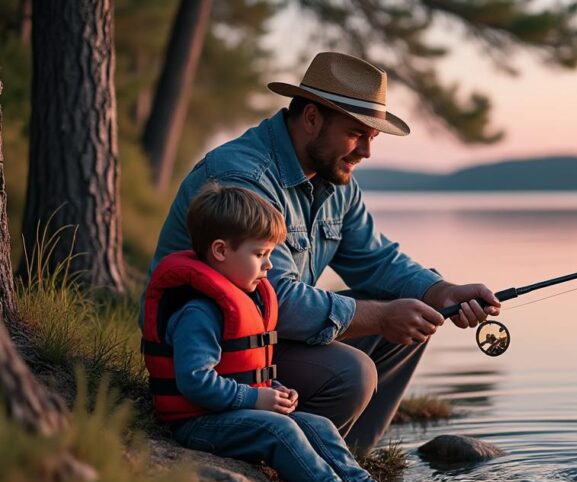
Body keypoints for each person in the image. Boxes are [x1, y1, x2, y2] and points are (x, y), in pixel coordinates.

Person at [145, 52, 500, 451]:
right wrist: (382, 317)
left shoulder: (335, 180)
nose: (366, 151)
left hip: (263, 335)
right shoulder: (244, 178)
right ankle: (285, 460)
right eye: (356, 134)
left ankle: (349, 461)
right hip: (214, 352)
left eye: (373, 137)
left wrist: (441, 292)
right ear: (312, 118)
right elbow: (276, 298)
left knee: (416, 313)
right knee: (353, 372)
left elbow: (376, 258)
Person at [141, 185, 441, 482]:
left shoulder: (245, 297)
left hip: (229, 411)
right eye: (260, 254)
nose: (269, 265)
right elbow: (195, 382)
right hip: (198, 424)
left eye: (271, 253)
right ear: (220, 251)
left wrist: (275, 389)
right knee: (279, 429)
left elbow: (244, 370)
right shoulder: (199, 312)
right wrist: (256, 398)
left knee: (318, 425)